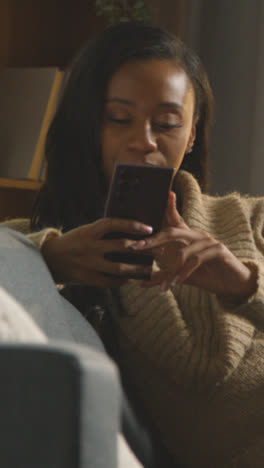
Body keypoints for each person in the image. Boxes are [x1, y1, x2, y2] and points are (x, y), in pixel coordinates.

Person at [5, 21, 264, 467]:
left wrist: (244, 284)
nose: (144, 141)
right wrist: (50, 261)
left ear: (194, 131)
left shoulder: (251, 218)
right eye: (119, 119)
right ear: (87, 124)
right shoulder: (34, 247)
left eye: (166, 123)